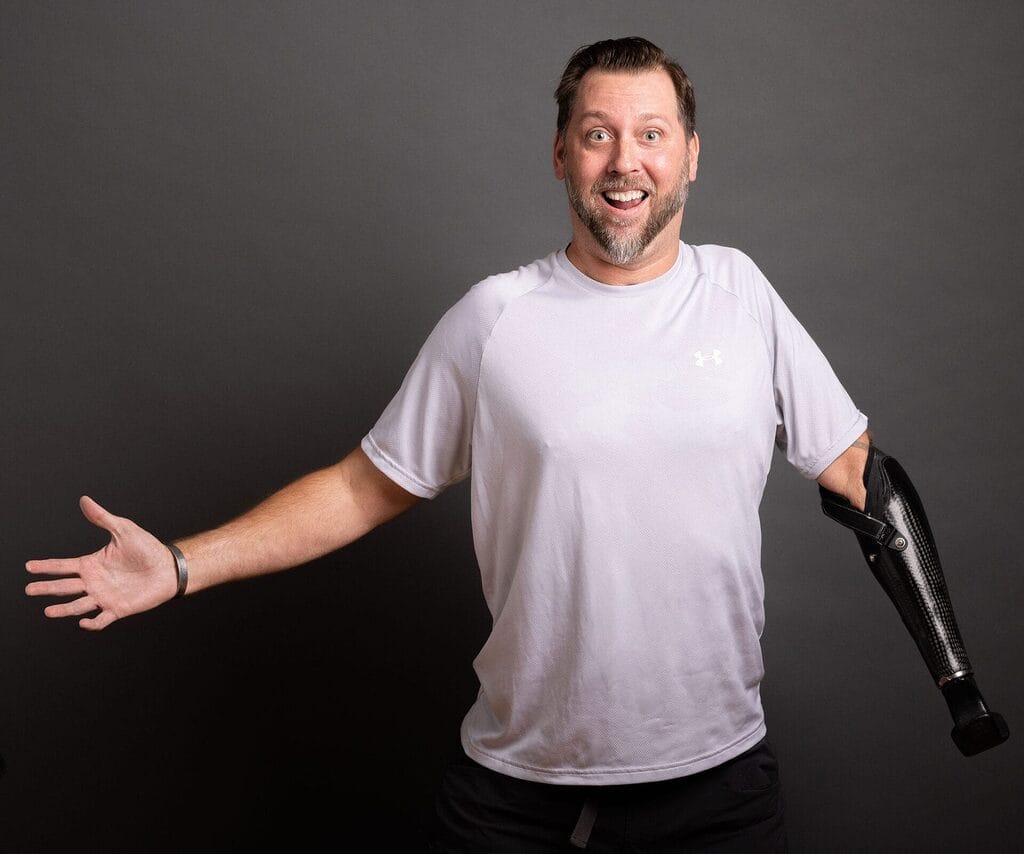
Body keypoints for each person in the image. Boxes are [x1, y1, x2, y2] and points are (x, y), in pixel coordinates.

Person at [28, 36, 986, 852]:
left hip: (717, 786)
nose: (625, 162)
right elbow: (363, 488)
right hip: (519, 795)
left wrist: (957, 682)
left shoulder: (742, 295)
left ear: (691, 155)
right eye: (598, 134)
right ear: (561, 153)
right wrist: (183, 564)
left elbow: (862, 476)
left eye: (651, 134)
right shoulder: (495, 319)